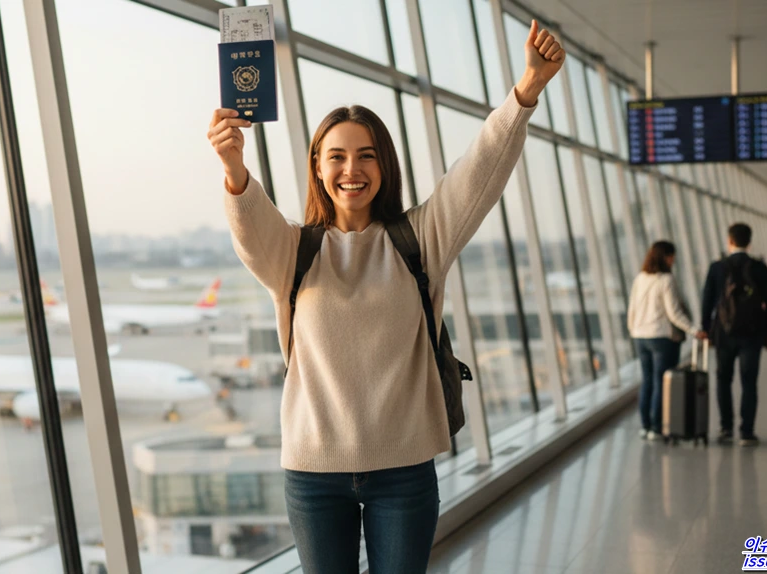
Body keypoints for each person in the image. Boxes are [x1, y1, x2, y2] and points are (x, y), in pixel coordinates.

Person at [208, 20, 565, 574]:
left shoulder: (420, 239)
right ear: (319, 168)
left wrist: (526, 91)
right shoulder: (294, 252)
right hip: (312, 474)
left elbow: (480, 171)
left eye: (367, 155)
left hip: (403, 472)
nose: (352, 169)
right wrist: (234, 168)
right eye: (338, 156)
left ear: (385, 166)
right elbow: (250, 227)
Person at [700, 223, 767, 447]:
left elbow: (707, 301)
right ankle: (747, 432)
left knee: (723, 380)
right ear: (749, 242)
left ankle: (725, 428)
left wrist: (706, 328)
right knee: (749, 382)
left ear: (729, 241)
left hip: (724, 333)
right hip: (753, 334)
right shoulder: (760, 268)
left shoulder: (717, 267)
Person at [627, 241, 703, 441]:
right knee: (662, 382)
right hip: (661, 337)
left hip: (640, 337)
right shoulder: (666, 280)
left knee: (647, 381)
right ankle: (657, 427)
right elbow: (674, 313)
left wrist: (633, 330)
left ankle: (645, 425)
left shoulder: (640, 278)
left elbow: (632, 310)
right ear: (665, 257)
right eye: (672, 257)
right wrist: (695, 331)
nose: (673, 261)